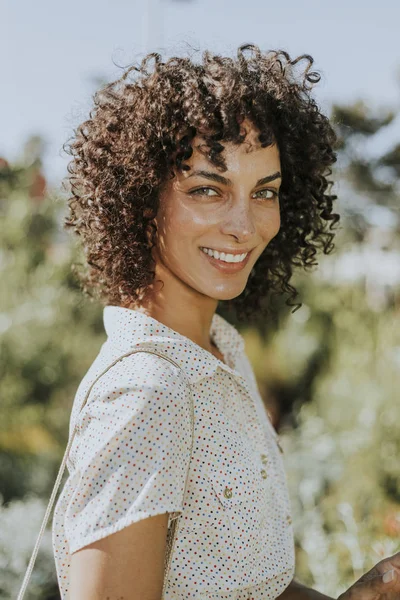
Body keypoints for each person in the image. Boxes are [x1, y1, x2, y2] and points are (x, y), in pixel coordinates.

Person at [52, 44, 400, 599]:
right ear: (142, 199)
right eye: (208, 189)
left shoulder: (218, 354)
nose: (244, 225)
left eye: (265, 192)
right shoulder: (147, 392)